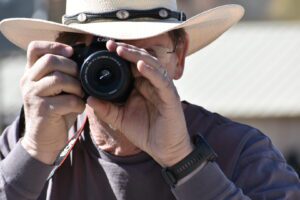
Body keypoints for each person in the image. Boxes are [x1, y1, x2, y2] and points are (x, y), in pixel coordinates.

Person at [0, 0, 299, 199]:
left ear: (178, 58)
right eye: (104, 58)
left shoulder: (241, 153)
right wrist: (34, 153)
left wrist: (185, 160)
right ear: (65, 55)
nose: (124, 74)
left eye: (145, 57)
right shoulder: (26, 140)